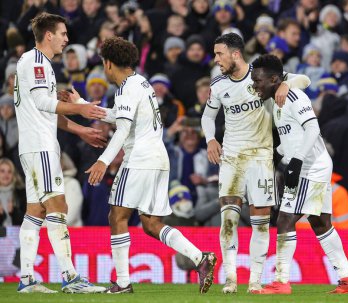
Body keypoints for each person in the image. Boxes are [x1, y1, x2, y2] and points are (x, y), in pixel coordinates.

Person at [83, 37, 217, 294]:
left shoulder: (126, 87)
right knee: (151, 223)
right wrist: (83, 106)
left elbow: (121, 130)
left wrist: (103, 160)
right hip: (158, 158)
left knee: (117, 216)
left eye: (103, 64)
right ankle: (201, 258)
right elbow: (120, 116)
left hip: (139, 159)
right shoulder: (140, 83)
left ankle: (122, 282)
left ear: (109, 63)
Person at [201, 33, 311, 294]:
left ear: (235, 54)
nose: (216, 59)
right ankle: (230, 279)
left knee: (260, 223)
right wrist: (210, 140)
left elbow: (304, 80)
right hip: (231, 158)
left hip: (261, 157)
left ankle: (255, 281)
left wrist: (285, 84)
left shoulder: (261, 76)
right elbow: (207, 117)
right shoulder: (218, 85)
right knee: (228, 219)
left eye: (219, 54)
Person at [250, 54, 348, 294]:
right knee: (320, 223)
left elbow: (312, 128)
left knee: (285, 220)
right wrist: (278, 156)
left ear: (274, 79)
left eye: (258, 81)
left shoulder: (292, 96)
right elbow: (293, 136)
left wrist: (297, 162)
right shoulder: (276, 101)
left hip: (310, 167)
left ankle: (282, 280)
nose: (255, 85)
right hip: (310, 164)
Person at [14, 12, 107, 293]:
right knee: (58, 206)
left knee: (35, 211)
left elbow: (44, 109)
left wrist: (81, 130)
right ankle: (70, 277)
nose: (67, 39)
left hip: (33, 145)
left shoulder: (32, 62)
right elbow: (44, 103)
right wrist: (81, 108)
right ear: (49, 35)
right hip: (40, 146)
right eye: (63, 34)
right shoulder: (37, 61)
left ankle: (27, 279)